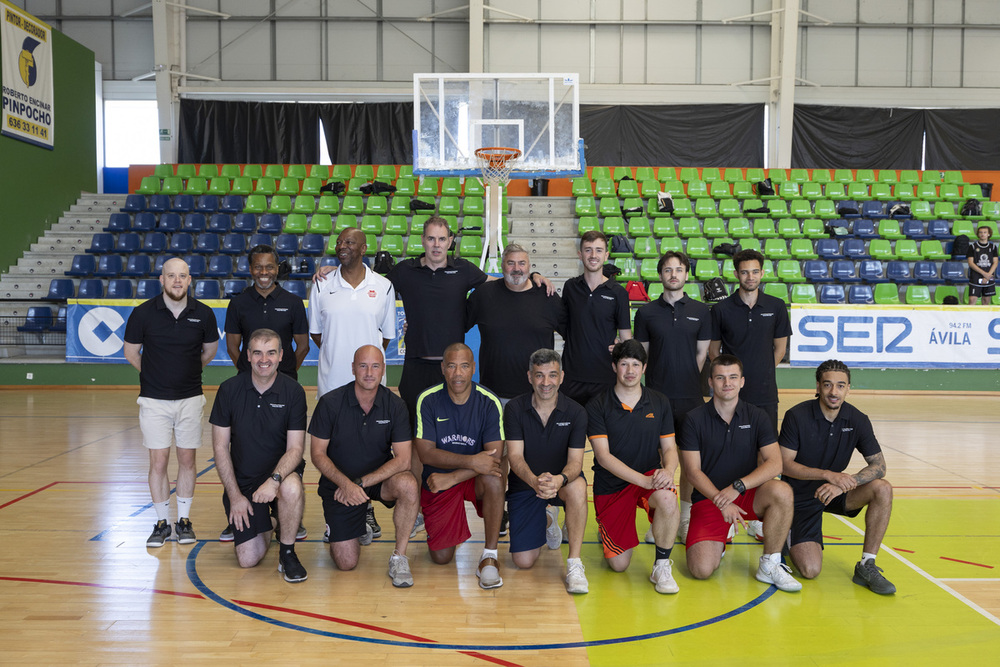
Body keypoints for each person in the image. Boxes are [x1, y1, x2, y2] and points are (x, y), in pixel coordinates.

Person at [677, 355, 801, 592]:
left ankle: (770, 564)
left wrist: (738, 487)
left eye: (733, 377)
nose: (727, 383)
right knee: (701, 570)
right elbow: (692, 472)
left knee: (782, 491)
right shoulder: (693, 419)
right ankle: (720, 542)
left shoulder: (757, 416)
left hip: (747, 494)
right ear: (710, 382)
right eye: (720, 378)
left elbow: (775, 464)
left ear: (742, 381)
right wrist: (720, 500)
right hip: (709, 498)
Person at [123, 257, 219, 547]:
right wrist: (154, 375)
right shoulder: (142, 314)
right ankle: (162, 523)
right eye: (171, 276)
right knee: (159, 461)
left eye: (183, 276)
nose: (177, 281)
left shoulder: (203, 314)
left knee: (188, 459)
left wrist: (185, 373)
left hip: (191, 399)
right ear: (161, 280)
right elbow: (131, 352)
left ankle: (185, 521)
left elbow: (209, 351)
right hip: (153, 401)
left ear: (190, 280)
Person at [779, 359, 896, 594]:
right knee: (810, 570)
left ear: (848, 388)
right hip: (799, 497)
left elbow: (879, 466)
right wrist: (827, 475)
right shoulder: (797, 416)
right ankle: (784, 535)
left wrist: (843, 485)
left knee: (882, 488)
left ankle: (867, 564)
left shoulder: (857, 419)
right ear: (818, 386)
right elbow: (784, 465)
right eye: (828, 385)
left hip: (834, 494)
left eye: (841, 386)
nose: (834, 392)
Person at [308, 345, 420, 587]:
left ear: (383, 370)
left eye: (375, 366)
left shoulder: (395, 405)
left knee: (409, 484)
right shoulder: (330, 403)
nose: (369, 372)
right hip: (339, 484)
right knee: (346, 562)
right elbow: (317, 454)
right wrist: (346, 484)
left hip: (375, 482)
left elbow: (403, 459)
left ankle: (399, 557)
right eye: (363, 365)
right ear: (352, 369)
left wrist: (359, 484)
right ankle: (351, 525)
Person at [221, 243, 309, 542]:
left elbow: (303, 345)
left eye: (269, 266)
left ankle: (289, 515)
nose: (263, 273)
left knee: (290, 450)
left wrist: (279, 375)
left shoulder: (294, 302)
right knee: (243, 450)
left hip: (284, 391)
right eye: (258, 267)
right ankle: (239, 510)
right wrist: (254, 373)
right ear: (250, 269)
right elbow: (233, 346)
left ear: (277, 267)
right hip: (248, 390)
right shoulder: (238, 303)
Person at [209, 328, 308, 582]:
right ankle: (273, 524)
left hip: (279, 476)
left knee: (292, 488)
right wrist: (235, 497)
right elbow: (220, 448)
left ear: (281, 356)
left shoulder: (293, 392)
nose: (265, 359)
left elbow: (296, 449)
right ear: (249, 356)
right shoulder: (228, 390)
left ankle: (287, 553)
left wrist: (274, 480)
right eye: (258, 353)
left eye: (271, 353)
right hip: (244, 484)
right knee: (247, 559)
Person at [587, 339, 682, 595]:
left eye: (635, 364)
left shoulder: (659, 401)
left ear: (644, 368)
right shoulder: (597, 405)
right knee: (619, 565)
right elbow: (604, 458)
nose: (630, 371)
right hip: (612, 486)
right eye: (624, 364)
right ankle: (605, 526)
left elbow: (670, 448)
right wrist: (643, 481)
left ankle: (661, 565)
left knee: (668, 497)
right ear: (614, 367)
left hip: (648, 476)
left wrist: (668, 471)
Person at [413, 343, 506, 589]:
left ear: (473, 369)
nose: (458, 373)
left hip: (473, 479)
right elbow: (425, 453)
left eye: (464, 366)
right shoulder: (428, 399)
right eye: (452, 366)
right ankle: (438, 521)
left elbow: (494, 458)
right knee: (442, 558)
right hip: (439, 478)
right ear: (442, 368)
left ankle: (490, 556)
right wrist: (471, 461)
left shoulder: (489, 401)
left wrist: (455, 476)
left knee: (495, 476)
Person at [633, 251, 711, 542]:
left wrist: (686, 375)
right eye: (668, 270)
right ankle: (659, 518)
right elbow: (643, 355)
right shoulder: (646, 313)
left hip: (691, 399)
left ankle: (686, 517)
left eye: (679, 269)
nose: (673, 274)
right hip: (655, 398)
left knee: (690, 464)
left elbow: (702, 354)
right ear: (661, 275)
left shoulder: (702, 312)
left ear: (686, 275)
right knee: (657, 461)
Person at [504, 349, 589, 594]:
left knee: (578, 487)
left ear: (561, 377)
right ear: (529, 376)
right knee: (523, 561)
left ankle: (574, 562)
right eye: (539, 376)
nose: (546, 383)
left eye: (552, 375)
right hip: (526, 482)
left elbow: (575, 463)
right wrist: (533, 481)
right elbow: (515, 456)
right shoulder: (514, 409)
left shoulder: (576, 412)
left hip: (561, 482)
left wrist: (560, 480)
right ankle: (548, 519)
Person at [466, 243, 566, 402]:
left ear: (529, 267)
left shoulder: (547, 296)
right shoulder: (484, 295)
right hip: (494, 395)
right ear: (502, 266)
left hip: (537, 396)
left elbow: (574, 335)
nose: (516, 268)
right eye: (510, 263)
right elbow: (456, 325)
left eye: (522, 263)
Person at [308, 227, 396, 399]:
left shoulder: (384, 286)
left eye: (349, 242)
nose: (342, 246)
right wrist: (336, 349)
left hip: (370, 384)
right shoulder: (321, 284)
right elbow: (316, 333)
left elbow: (385, 337)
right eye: (339, 242)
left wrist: (367, 359)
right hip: (331, 382)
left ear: (363, 248)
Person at [708, 248, 790, 433]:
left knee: (766, 445)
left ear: (762, 273)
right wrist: (730, 378)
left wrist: (763, 371)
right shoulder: (721, 309)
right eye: (744, 272)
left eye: (754, 271)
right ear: (736, 274)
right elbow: (713, 352)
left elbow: (780, 349)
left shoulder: (776, 306)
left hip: (765, 392)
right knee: (732, 443)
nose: (750, 277)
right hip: (731, 393)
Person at [560, 230, 632, 408]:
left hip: (604, 377)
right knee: (571, 434)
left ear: (606, 255)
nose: (593, 255)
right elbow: (563, 325)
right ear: (580, 254)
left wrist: (621, 347)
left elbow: (626, 338)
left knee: (603, 434)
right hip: (572, 377)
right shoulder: (570, 287)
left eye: (599, 250)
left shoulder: (619, 293)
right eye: (588, 250)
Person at [967, 225, 998, 305]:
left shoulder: (993, 247)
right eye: (980, 232)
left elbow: (995, 262)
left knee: (986, 301)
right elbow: (971, 263)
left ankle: (984, 318)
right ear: (978, 234)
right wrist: (984, 274)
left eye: (985, 232)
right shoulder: (972, 247)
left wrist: (988, 275)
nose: (982, 234)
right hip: (976, 276)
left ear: (988, 234)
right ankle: (969, 317)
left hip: (989, 276)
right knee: (972, 300)